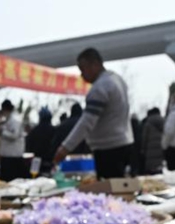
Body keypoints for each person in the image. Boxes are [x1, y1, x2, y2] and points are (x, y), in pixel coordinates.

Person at [54, 48, 134, 179]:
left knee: (110, 190)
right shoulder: (117, 79)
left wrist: (65, 148)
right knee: (119, 186)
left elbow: (87, 122)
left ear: (95, 64)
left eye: (82, 69)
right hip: (123, 142)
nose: (82, 75)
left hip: (108, 147)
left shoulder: (100, 88)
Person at [0, 100, 28, 181]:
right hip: (7, 156)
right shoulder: (7, 120)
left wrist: (2, 131)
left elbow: (14, 135)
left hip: (13, 158)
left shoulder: (15, 120)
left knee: (12, 180)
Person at [25, 107, 55, 175]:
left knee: (34, 180)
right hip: (50, 162)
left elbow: (28, 147)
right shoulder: (54, 130)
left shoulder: (34, 131)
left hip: (35, 161)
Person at [140, 107, 165, 175]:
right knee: (159, 169)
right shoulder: (164, 121)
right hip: (161, 148)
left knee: (151, 170)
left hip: (150, 150)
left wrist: (143, 149)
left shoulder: (147, 123)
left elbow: (144, 138)